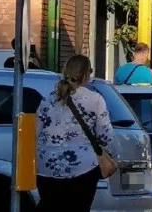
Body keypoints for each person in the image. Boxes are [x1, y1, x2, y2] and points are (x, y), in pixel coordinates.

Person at [36, 55, 112, 211]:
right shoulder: (95, 99)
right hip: (82, 168)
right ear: (85, 75)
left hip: (46, 168)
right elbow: (105, 135)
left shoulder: (48, 99)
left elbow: (36, 131)